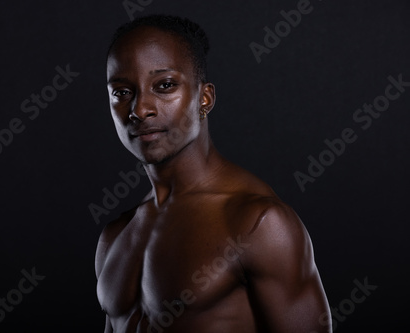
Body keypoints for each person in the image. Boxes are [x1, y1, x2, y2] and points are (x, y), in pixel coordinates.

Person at [95, 14, 331, 333]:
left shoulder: (257, 223)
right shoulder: (115, 236)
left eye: (164, 86)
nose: (139, 109)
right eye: (122, 92)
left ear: (205, 98)